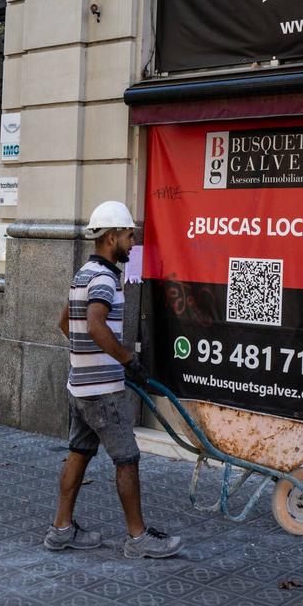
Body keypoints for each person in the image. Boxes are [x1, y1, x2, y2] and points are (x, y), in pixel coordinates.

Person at [45, 200, 182, 559]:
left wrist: (85, 359)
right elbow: (94, 323)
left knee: (78, 453)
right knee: (127, 459)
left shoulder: (83, 274)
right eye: (127, 234)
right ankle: (138, 538)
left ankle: (61, 530)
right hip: (103, 392)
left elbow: (66, 324)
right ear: (110, 237)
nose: (132, 240)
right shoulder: (104, 279)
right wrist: (126, 360)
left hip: (80, 386)